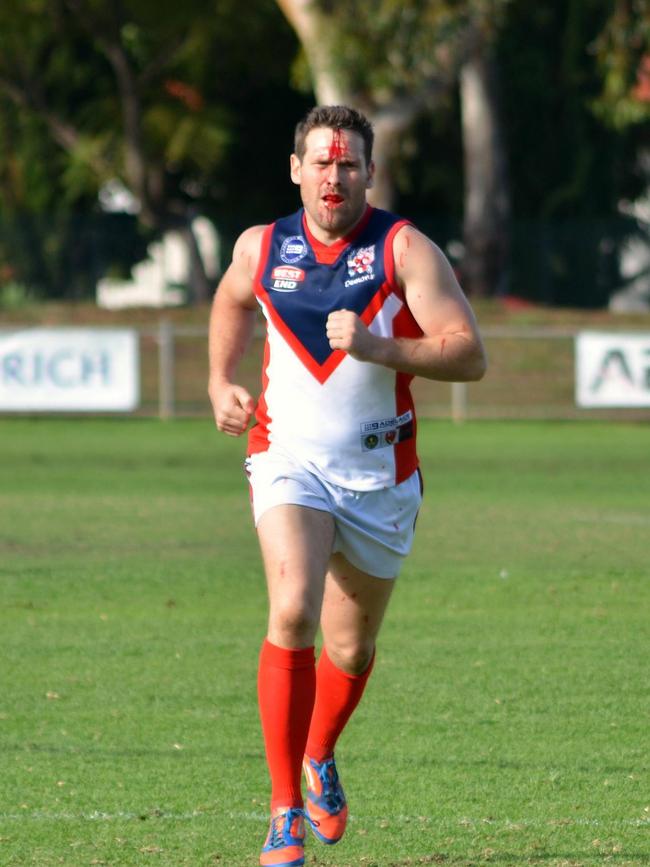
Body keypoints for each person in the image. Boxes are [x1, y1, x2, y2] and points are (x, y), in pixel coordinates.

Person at [208, 104, 487, 867]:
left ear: (369, 172)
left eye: (350, 164)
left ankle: (320, 752)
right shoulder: (260, 246)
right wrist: (217, 380)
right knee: (291, 607)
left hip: (380, 475)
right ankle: (282, 811)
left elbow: (469, 355)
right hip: (287, 457)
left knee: (351, 647)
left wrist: (377, 345)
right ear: (297, 169)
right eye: (322, 163)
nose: (335, 176)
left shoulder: (404, 250)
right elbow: (232, 298)